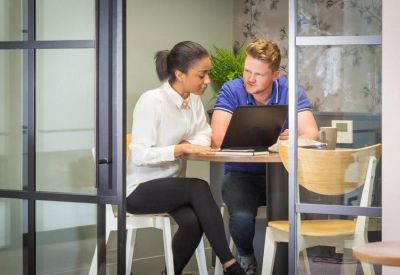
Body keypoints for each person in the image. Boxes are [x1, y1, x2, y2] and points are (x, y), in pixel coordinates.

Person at [126, 41, 246, 275]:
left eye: (208, 74)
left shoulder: (193, 101)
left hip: (172, 187)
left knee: (193, 224)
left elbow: (205, 135)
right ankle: (230, 265)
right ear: (180, 74)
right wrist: (178, 150)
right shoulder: (152, 101)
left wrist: (188, 144)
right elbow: (139, 154)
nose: (208, 81)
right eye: (202, 75)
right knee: (198, 187)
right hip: (138, 190)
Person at [211, 38, 319, 275]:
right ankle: (247, 260)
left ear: (275, 75)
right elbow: (219, 138)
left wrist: (294, 138)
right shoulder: (232, 90)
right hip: (241, 174)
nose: (249, 78)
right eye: (247, 71)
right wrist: (272, 140)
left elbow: (312, 133)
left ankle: (290, 267)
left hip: (282, 174)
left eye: (258, 74)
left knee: (308, 211)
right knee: (241, 218)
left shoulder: (291, 91)